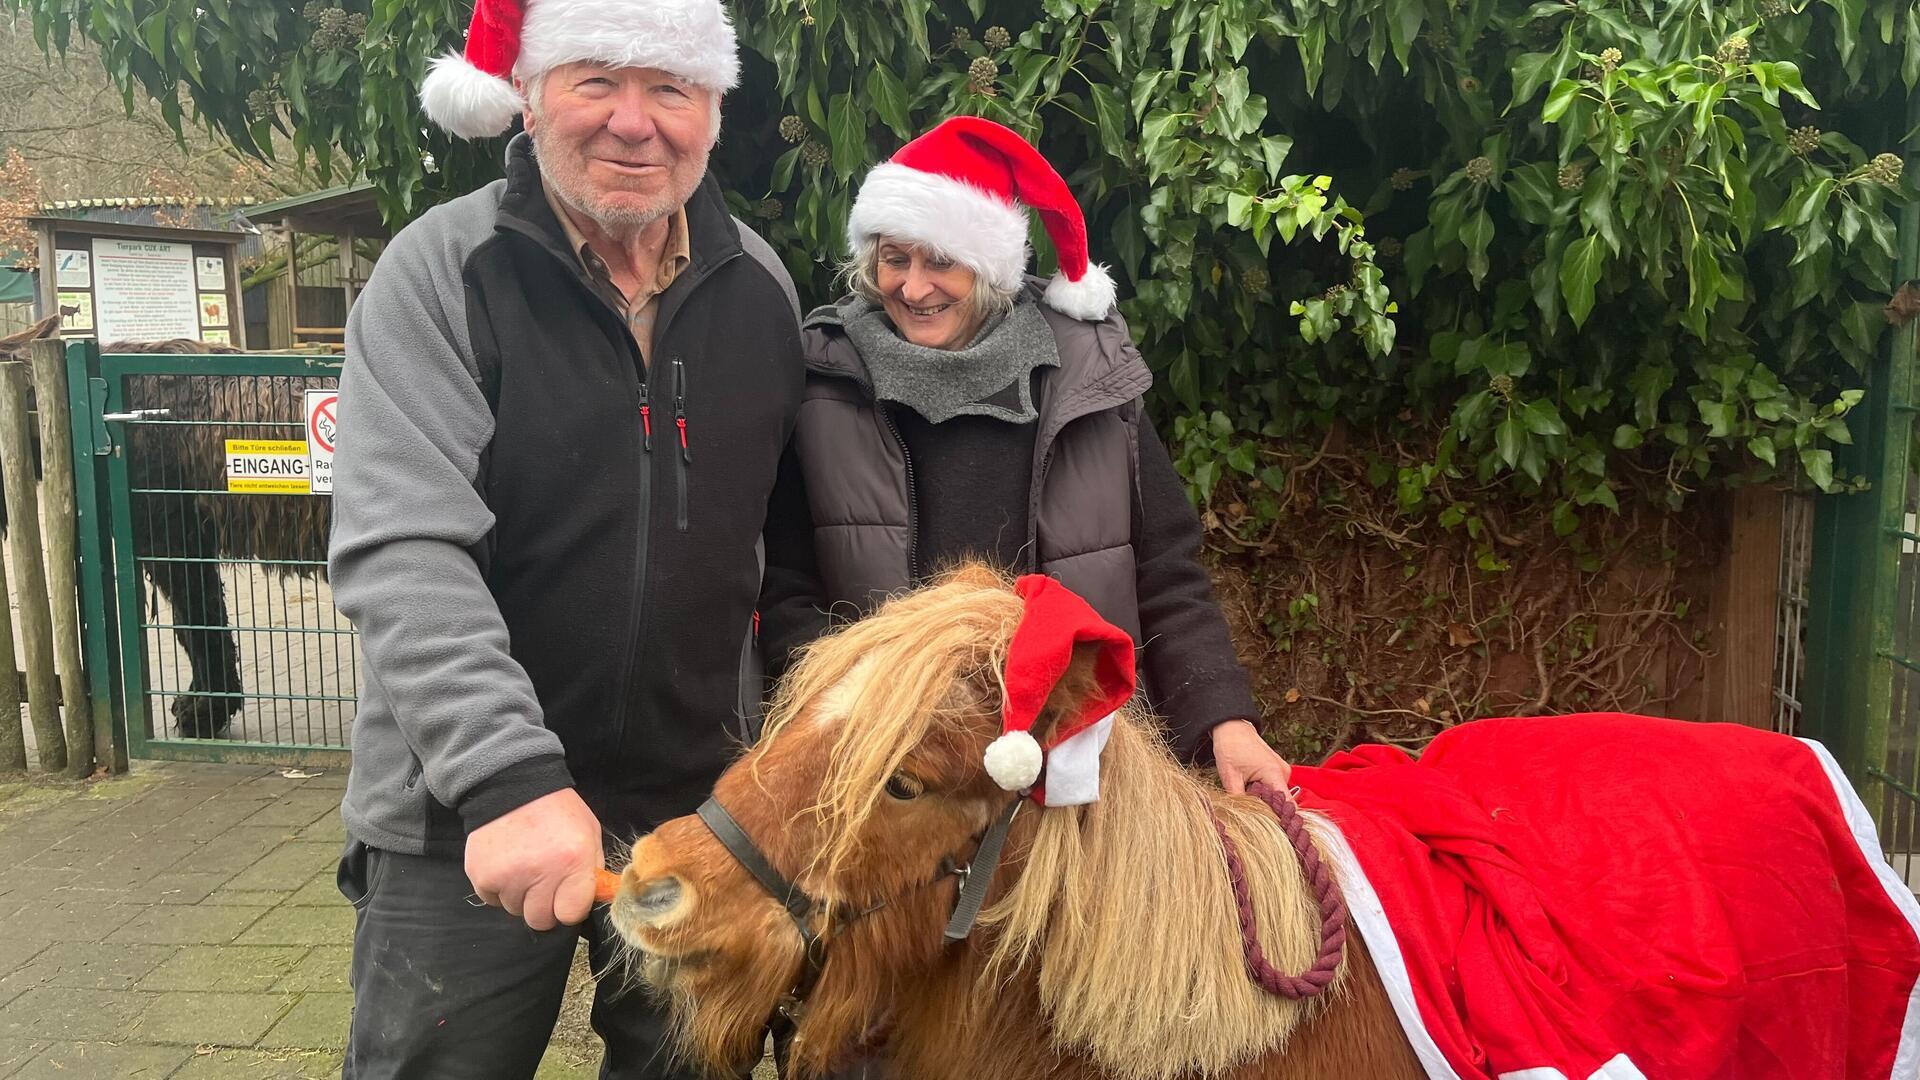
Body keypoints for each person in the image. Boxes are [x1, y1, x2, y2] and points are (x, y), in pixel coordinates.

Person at [327, 0, 808, 1075]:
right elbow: (405, 549)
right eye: (595, 80)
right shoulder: (440, 276)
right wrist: (507, 781)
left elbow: (786, 560)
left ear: (713, 112)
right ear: (531, 97)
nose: (633, 123)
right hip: (464, 815)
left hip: (697, 816)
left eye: (669, 88)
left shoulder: (761, 291)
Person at [760, 117, 1291, 795]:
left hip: (1088, 764)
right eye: (895, 258)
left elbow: (1167, 574)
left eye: (940, 261)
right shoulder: (823, 383)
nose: (912, 288)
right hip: (902, 781)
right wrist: (875, 713)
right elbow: (787, 595)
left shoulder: (1088, 378)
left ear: (989, 269)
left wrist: (1225, 720)